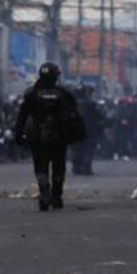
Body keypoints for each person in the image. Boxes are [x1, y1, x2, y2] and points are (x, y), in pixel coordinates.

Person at [15, 62, 85, 211]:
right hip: (59, 137)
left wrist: (18, 135)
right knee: (59, 167)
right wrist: (79, 135)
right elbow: (75, 117)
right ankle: (56, 197)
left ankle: (45, 193)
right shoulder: (64, 94)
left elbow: (22, 116)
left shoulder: (32, 94)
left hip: (38, 138)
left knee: (41, 167)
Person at [71, 85, 105, 176]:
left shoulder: (72, 105)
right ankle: (86, 168)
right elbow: (100, 117)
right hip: (89, 131)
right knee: (88, 150)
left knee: (77, 150)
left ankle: (76, 167)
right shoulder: (91, 105)